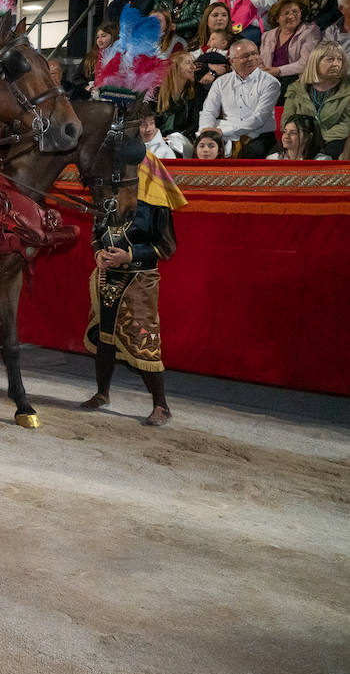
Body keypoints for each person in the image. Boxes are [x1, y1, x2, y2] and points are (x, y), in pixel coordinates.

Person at [81, 150, 186, 426]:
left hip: (139, 281)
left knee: (144, 342)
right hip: (106, 278)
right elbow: (95, 235)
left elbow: (167, 247)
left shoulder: (156, 206)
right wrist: (97, 254)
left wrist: (129, 256)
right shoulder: (107, 199)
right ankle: (102, 393)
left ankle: (161, 406)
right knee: (105, 337)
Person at [197, 39, 280, 157]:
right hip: (225, 133)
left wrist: (222, 131)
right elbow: (209, 111)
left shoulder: (270, 83)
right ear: (232, 61)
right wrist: (205, 133)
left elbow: (259, 119)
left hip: (258, 134)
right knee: (204, 148)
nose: (251, 58)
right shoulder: (221, 82)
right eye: (245, 56)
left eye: (254, 54)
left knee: (253, 151)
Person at [283, 41, 350, 156]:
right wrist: (302, 137)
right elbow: (287, 119)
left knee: (324, 156)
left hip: (335, 141)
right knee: (273, 156)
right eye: (330, 59)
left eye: (339, 60)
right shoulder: (296, 88)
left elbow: (346, 124)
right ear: (316, 62)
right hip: (300, 140)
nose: (336, 64)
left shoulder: (347, 89)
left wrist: (317, 138)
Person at [259, 0, 322, 100]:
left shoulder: (310, 31)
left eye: (295, 12)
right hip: (270, 79)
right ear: (277, 18)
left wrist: (278, 70)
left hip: (296, 80)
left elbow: (306, 63)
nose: (292, 16)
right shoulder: (267, 35)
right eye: (286, 13)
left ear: (301, 13)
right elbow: (261, 61)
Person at [155, 52, 205, 154]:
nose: (193, 67)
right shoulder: (157, 90)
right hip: (159, 138)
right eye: (188, 63)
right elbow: (151, 120)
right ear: (175, 67)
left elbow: (195, 123)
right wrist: (157, 136)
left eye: (193, 63)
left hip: (183, 138)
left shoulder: (198, 90)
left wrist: (172, 137)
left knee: (169, 149)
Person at [266, 114, 330, 161]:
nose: (286, 136)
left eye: (293, 133)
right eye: (285, 132)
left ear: (307, 137)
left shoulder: (321, 160)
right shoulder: (273, 159)